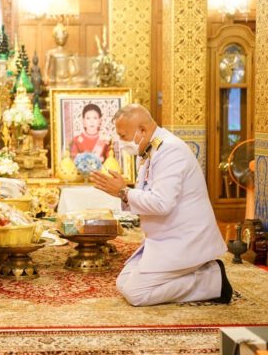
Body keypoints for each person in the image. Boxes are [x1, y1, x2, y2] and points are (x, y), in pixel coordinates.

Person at [90, 104, 231, 306]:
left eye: (123, 136)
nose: (121, 142)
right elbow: (145, 196)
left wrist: (123, 192)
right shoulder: (151, 150)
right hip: (162, 240)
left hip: (184, 240)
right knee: (123, 283)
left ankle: (212, 280)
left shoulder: (171, 150)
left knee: (136, 294)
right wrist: (123, 193)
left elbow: (162, 204)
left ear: (142, 130)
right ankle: (202, 274)